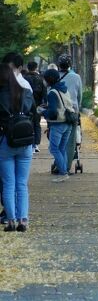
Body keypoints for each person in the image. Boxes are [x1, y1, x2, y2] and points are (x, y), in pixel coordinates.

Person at [0, 62, 35, 231]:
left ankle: (11, 220)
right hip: (25, 141)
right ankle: (23, 220)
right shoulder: (26, 93)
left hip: (5, 142)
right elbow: (34, 116)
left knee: (8, 184)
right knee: (22, 183)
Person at [42, 69, 73, 182]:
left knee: (54, 148)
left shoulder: (52, 92)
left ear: (49, 79)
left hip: (58, 124)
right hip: (68, 123)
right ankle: (64, 172)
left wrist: (42, 112)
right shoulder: (64, 89)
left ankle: (63, 173)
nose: (44, 81)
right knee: (61, 148)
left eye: (45, 78)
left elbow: (53, 113)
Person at [57, 54, 82, 173]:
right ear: (70, 64)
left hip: (57, 113)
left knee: (57, 139)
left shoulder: (55, 76)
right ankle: (66, 166)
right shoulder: (76, 77)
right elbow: (79, 96)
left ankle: (59, 163)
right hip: (72, 112)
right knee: (71, 141)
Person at [23, 62, 45, 153]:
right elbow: (44, 92)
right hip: (37, 105)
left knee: (28, 124)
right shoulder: (40, 78)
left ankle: (29, 143)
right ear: (36, 68)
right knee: (37, 124)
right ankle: (36, 145)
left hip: (26, 105)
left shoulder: (24, 78)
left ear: (28, 68)